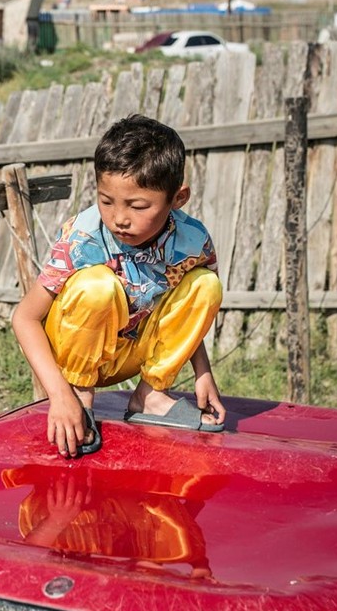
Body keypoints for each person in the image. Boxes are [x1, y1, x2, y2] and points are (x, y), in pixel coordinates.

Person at [12, 114, 226, 458]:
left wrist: (203, 372)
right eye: (106, 201)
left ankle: (149, 395)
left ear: (178, 198)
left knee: (206, 285)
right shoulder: (83, 238)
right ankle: (81, 400)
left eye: (137, 206)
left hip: (131, 354)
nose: (119, 218)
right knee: (98, 286)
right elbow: (25, 318)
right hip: (75, 357)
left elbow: (187, 311)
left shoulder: (192, 241)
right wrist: (60, 394)